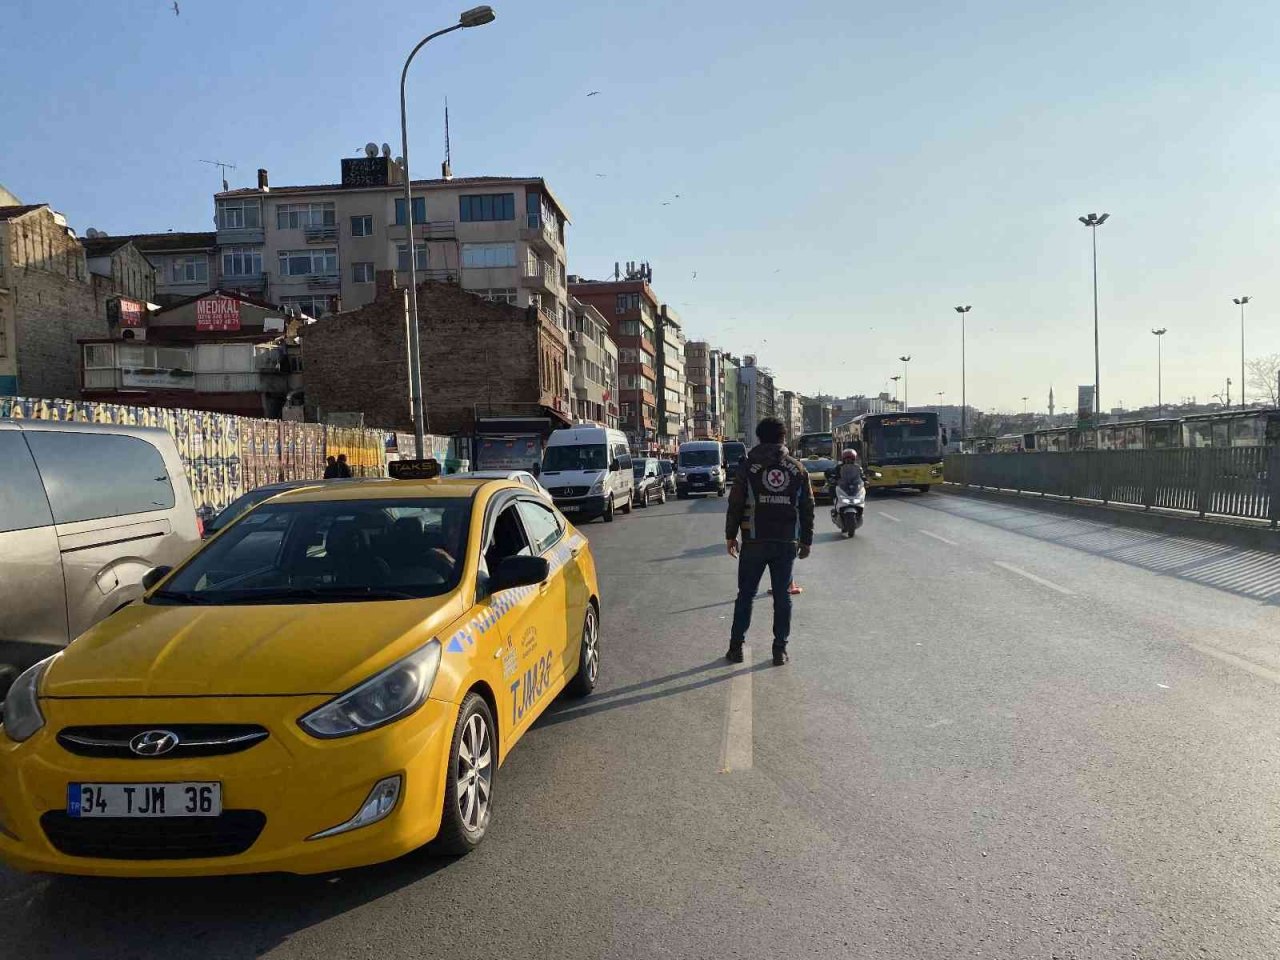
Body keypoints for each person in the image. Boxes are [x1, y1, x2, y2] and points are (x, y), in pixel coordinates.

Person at [724, 417, 815, 666]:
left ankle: (736, 648)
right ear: (783, 438)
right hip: (785, 541)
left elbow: (736, 503)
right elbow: (807, 506)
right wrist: (806, 540)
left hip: (754, 539)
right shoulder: (797, 468)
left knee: (746, 595)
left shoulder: (747, 466)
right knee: (783, 597)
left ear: (759, 437)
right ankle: (779, 650)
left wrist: (730, 535)